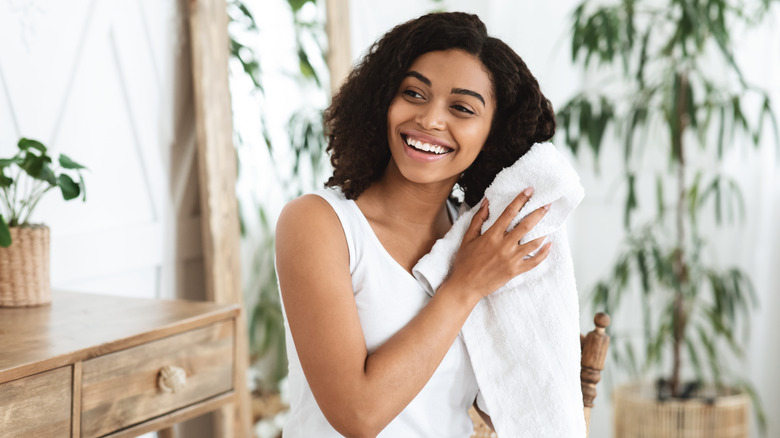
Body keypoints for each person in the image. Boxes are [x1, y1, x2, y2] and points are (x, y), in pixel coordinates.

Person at [275, 11, 556, 438]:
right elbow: (358, 415)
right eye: (414, 93)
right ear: (382, 99)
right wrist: (464, 287)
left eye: (461, 107)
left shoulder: (478, 239)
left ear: (493, 134)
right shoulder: (319, 224)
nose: (429, 120)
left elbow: (514, 402)